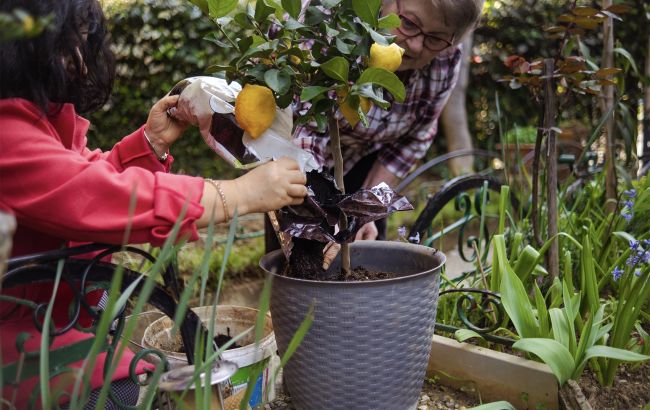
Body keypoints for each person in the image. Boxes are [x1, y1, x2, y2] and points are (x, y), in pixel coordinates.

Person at [0, 0, 307, 407]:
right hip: (16, 319)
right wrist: (237, 194)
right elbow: (87, 192)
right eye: (69, 43)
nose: (80, 59)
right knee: (113, 385)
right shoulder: (6, 133)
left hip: (45, 301)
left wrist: (149, 143)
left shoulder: (32, 118)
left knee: (111, 316)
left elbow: (72, 181)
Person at [265, 0, 484, 254]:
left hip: (368, 161)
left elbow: (417, 137)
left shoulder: (445, 60)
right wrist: (319, 218)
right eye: (409, 23)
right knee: (299, 259)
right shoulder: (327, 25)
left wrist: (366, 210)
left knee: (365, 257)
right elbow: (305, 131)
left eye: (435, 39)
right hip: (297, 157)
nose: (415, 45)